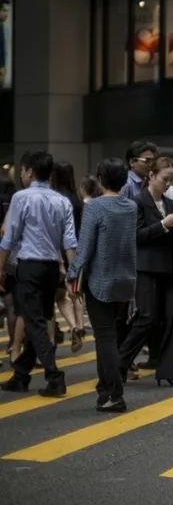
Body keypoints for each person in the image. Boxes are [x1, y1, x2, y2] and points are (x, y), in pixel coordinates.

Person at [0, 150, 78, 397]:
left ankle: (55, 377)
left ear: (29, 171)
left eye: (22, 171)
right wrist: (73, 271)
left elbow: (9, 237)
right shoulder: (62, 201)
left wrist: (0, 267)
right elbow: (69, 241)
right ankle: (21, 375)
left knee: (34, 322)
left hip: (30, 266)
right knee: (40, 318)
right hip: (52, 268)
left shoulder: (21, 198)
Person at [65, 158, 138, 412]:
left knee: (105, 338)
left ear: (100, 178)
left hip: (100, 281)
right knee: (112, 336)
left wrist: (72, 274)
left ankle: (115, 393)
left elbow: (84, 249)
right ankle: (104, 389)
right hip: (125, 281)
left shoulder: (94, 207)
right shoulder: (131, 207)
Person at [117, 157, 173, 387]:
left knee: (171, 317)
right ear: (151, 176)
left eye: (171, 180)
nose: (167, 184)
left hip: (168, 266)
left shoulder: (169, 203)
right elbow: (136, 236)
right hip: (145, 267)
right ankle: (119, 362)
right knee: (146, 317)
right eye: (164, 179)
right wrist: (164, 225)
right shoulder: (137, 202)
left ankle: (167, 371)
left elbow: (172, 237)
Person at [51, 161, 88, 351]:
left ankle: (72, 326)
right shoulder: (75, 198)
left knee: (58, 297)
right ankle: (80, 326)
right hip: (76, 250)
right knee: (75, 292)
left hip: (58, 251)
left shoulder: (56, 199)